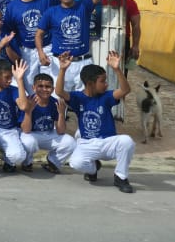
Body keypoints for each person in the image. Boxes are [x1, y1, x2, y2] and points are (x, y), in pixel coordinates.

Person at [54, 51, 136, 193]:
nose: (106, 84)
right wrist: (62, 70)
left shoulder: (106, 97)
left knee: (127, 141)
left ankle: (120, 177)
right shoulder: (78, 97)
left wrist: (117, 69)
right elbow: (60, 91)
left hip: (107, 142)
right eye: (102, 81)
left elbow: (125, 90)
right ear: (90, 84)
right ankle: (93, 169)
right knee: (76, 163)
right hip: (87, 143)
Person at [36, 0, 114, 92]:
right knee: (58, 102)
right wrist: (41, 52)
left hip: (83, 63)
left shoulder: (84, 6)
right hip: (58, 63)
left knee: (85, 102)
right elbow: (39, 34)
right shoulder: (50, 12)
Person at [18, 73, 76, 174]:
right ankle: (27, 162)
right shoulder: (28, 101)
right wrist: (29, 112)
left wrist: (61, 114)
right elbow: (26, 130)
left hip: (48, 133)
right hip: (31, 133)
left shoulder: (56, 103)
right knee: (29, 143)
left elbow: (61, 131)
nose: (44, 89)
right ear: (33, 87)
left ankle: (53, 162)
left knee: (70, 142)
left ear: (53, 89)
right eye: (40, 86)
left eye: (48, 87)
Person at [102, 0, 141, 76]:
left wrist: (135, 45)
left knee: (121, 71)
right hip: (102, 41)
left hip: (123, 42)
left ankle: (120, 90)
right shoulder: (100, 1)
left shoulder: (130, 3)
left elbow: (136, 25)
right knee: (101, 69)